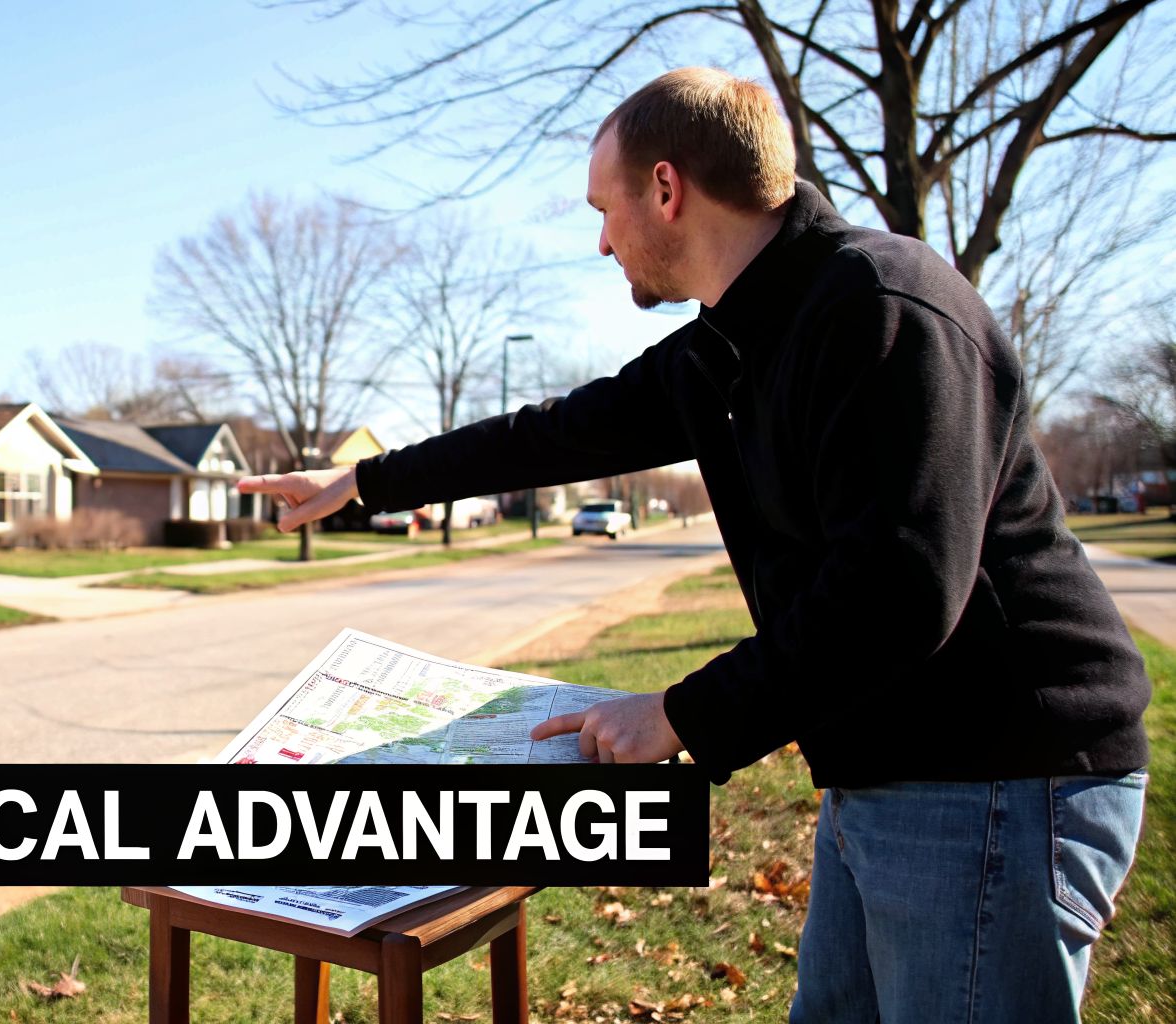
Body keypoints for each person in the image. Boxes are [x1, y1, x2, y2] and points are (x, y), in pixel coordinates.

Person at [238, 67, 1148, 1023]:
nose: (600, 240)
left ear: (666, 190)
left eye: (605, 208)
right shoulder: (733, 339)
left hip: (1000, 769)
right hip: (886, 766)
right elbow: (558, 430)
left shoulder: (885, 309)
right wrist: (365, 483)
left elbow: (899, 589)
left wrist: (683, 714)